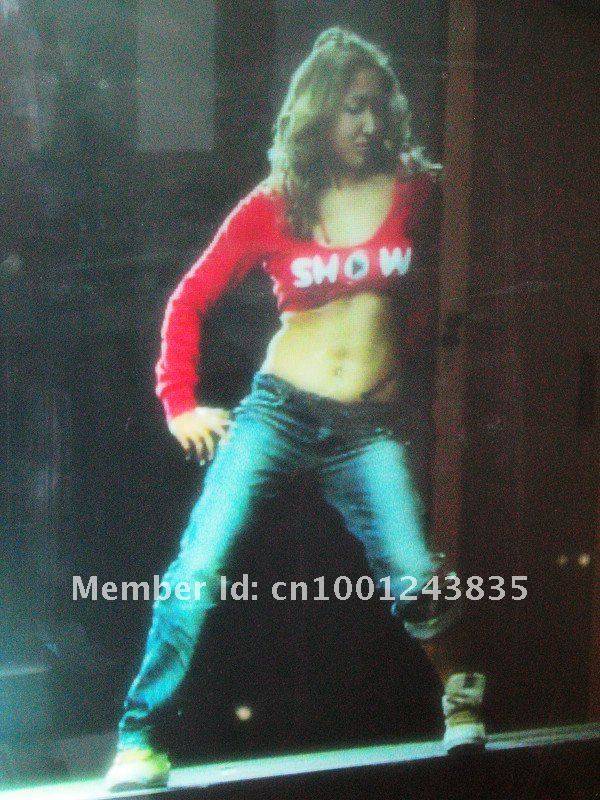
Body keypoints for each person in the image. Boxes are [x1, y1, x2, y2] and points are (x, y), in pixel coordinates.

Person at [105, 26, 486, 792]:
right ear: (319, 112)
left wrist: (397, 363)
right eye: (351, 108)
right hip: (279, 412)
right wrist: (179, 404)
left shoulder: (417, 189)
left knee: (415, 572)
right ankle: (139, 739)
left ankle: (462, 696)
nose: (368, 124)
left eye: (377, 107)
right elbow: (189, 300)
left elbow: (427, 295)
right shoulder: (276, 204)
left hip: (365, 429)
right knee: (199, 563)